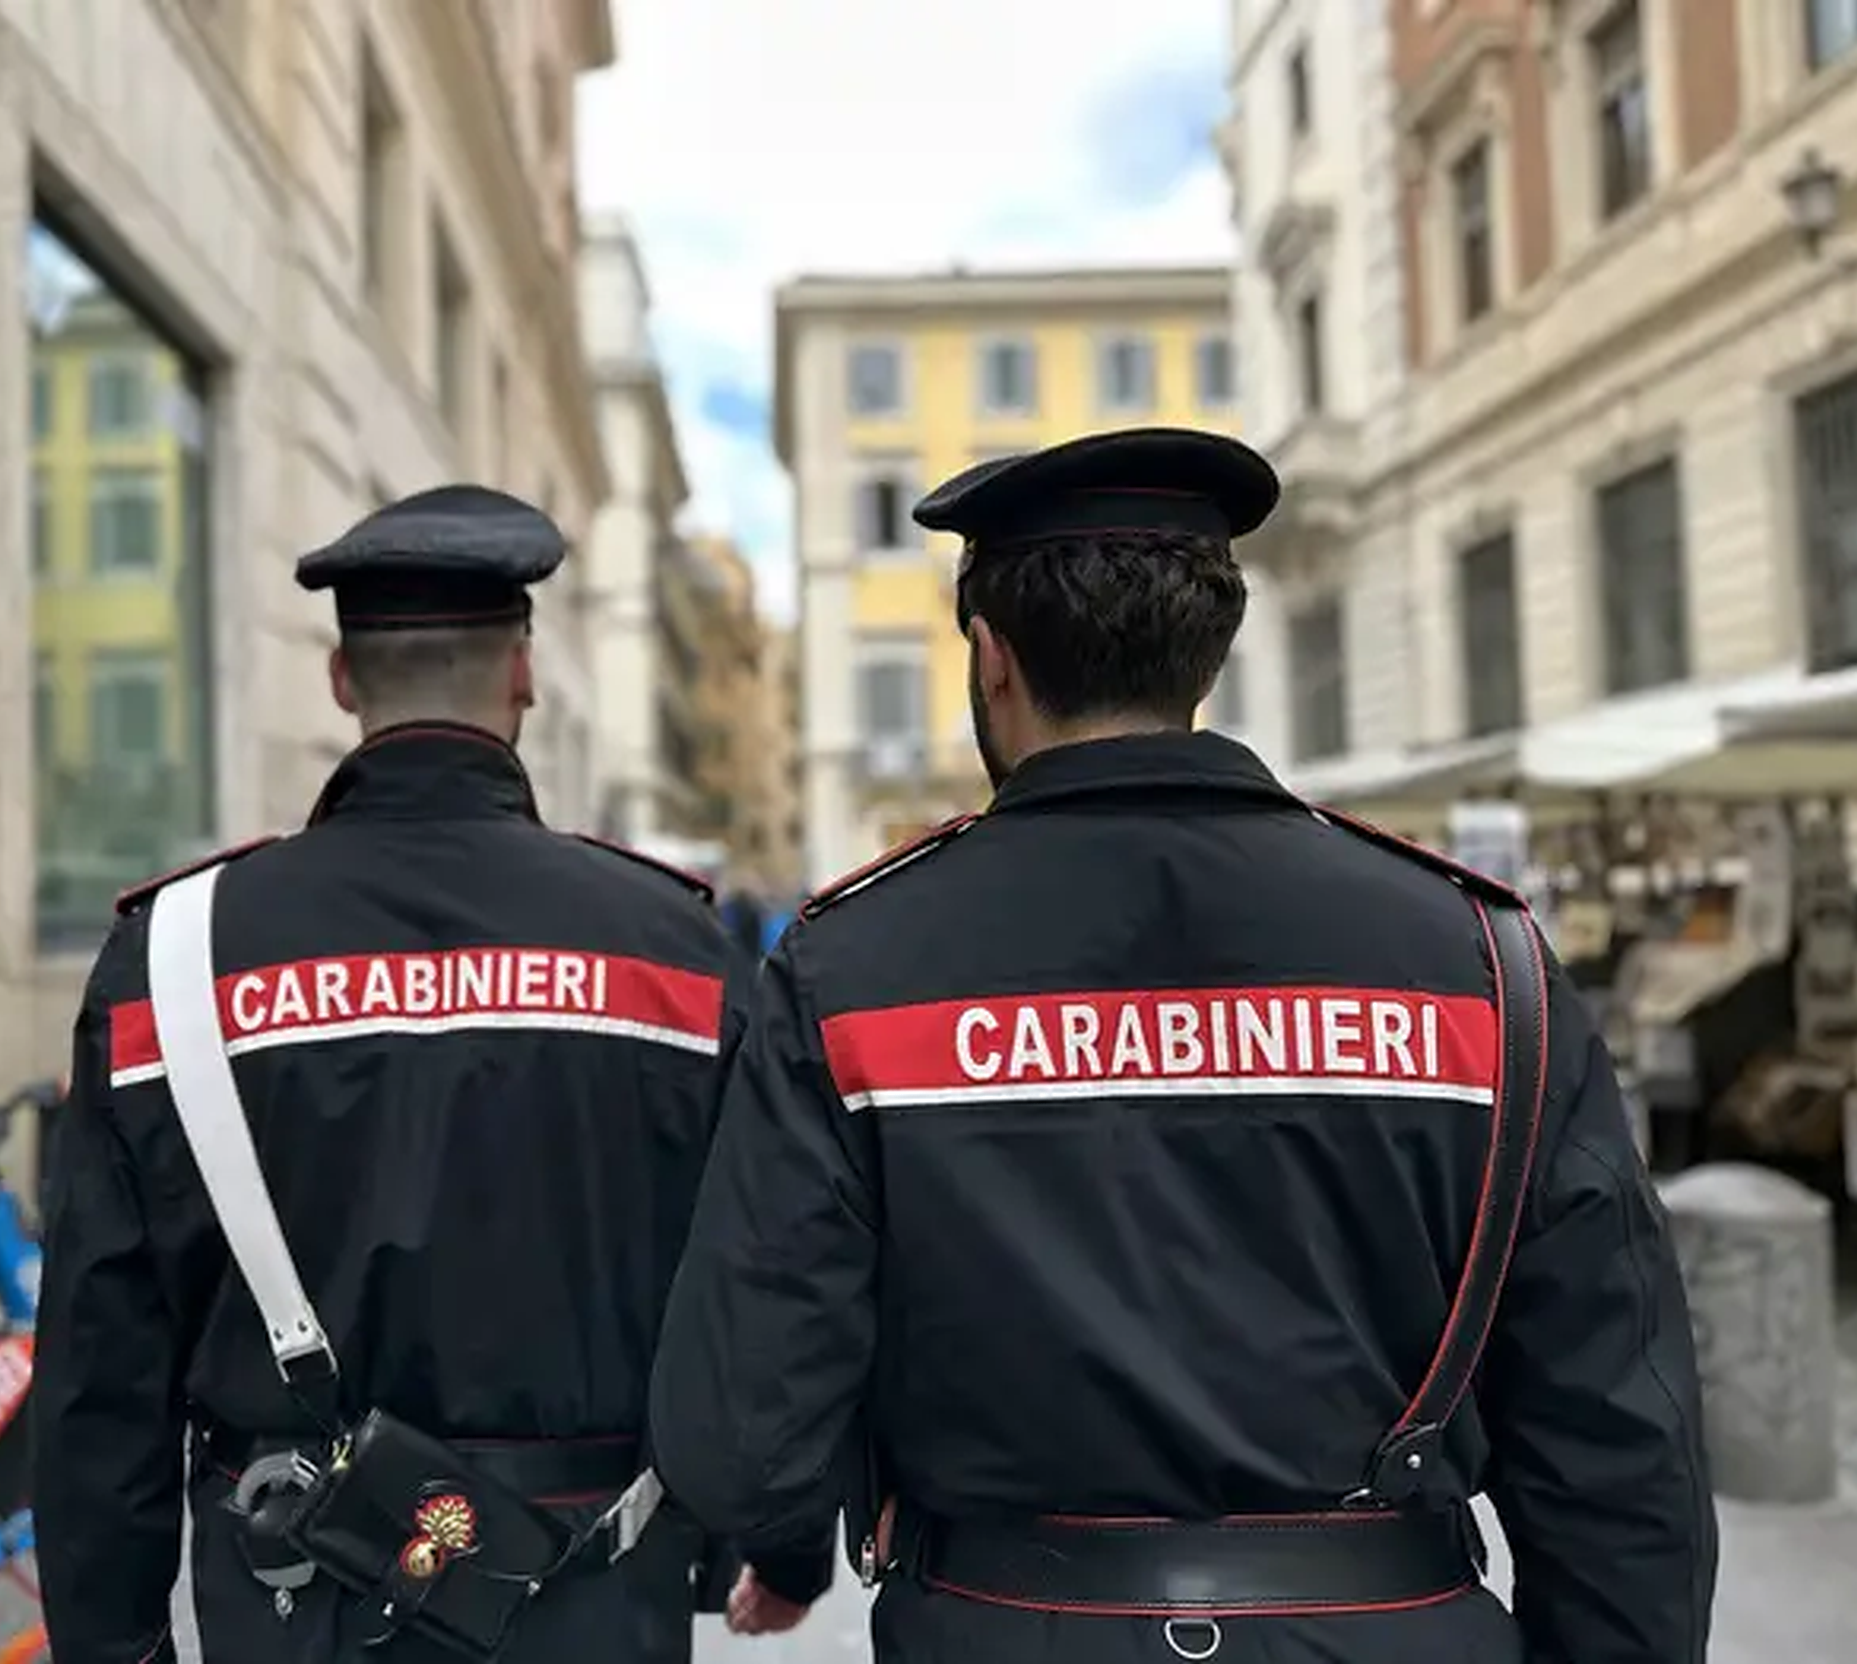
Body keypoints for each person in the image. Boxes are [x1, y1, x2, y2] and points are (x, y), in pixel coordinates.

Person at [646, 429, 1716, 1664]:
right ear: (1209, 651)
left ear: (991, 661)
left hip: (1003, 1627)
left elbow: (739, 1438)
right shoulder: (1485, 960)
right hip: (1391, 1627)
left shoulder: (846, 970)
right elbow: (1619, 1443)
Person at [33, 484, 831, 1663]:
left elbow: (98, 1355)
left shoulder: (171, 959)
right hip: (587, 1583)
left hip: (291, 1591)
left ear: (343, 680)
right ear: (522, 670)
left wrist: (115, 1640)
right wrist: (782, 1532)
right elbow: (760, 1279)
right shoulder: (671, 948)